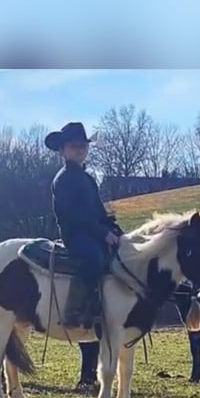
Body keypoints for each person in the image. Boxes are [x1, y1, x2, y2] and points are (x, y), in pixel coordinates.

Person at [45, 122, 123, 328]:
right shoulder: (63, 179)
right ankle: (74, 310)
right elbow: (74, 214)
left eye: (83, 146)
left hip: (93, 231)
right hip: (75, 234)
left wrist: (113, 229)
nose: (80, 149)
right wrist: (102, 233)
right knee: (94, 259)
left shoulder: (87, 179)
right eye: (74, 146)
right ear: (62, 150)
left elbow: (97, 211)